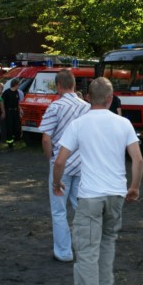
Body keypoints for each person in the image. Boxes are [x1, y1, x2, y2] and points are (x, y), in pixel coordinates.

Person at [52, 77, 143, 285]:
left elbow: (59, 161)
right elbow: (137, 159)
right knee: (108, 241)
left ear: (88, 98)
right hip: (116, 194)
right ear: (111, 99)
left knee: (86, 251)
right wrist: (134, 187)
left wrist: (56, 183)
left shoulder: (79, 124)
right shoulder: (123, 123)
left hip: (90, 195)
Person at [40, 69, 91, 262]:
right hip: (82, 165)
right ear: (74, 84)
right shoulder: (87, 108)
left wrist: (51, 160)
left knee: (59, 211)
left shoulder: (55, 107)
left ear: (58, 85)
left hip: (61, 165)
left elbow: (46, 138)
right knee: (81, 209)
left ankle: (64, 252)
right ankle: (86, 249)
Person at [1, 79, 22, 151]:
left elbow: (17, 102)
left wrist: (20, 109)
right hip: (9, 112)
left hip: (15, 112)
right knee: (9, 128)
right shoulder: (6, 92)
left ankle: (16, 141)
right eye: (18, 84)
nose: (19, 86)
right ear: (15, 84)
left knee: (17, 127)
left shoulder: (17, 92)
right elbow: (2, 102)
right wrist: (3, 112)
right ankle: (10, 144)